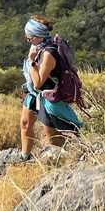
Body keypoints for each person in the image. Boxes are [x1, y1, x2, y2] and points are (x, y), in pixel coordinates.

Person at [20, 16, 83, 156]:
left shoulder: (48, 53)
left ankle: (66, 158)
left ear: (38, 36)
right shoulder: (38, 47)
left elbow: (37, 83)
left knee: (52, 137)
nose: (27, 38)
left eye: (29, 36)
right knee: (25, 123)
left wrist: (31, 61)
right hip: (34, 95)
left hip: (48, 96)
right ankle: (25, 157)